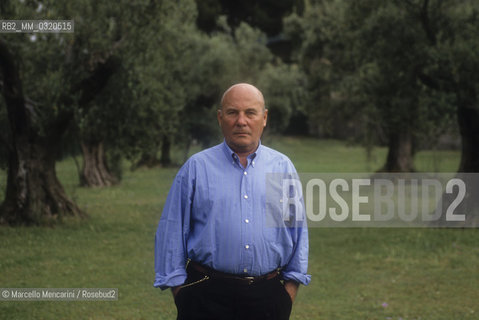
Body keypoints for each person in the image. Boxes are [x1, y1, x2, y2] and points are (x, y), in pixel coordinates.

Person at [154, 83, 310, 320]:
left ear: (264, 117)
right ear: (220, 117)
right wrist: (183, 295)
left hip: (267, 299)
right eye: (232, 112)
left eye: (250, 112)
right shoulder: (196, 168)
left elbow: (297, 233)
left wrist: (287, 294)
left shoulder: (283, 167)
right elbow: (171, 230)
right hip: (204, 296)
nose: (241, 121)